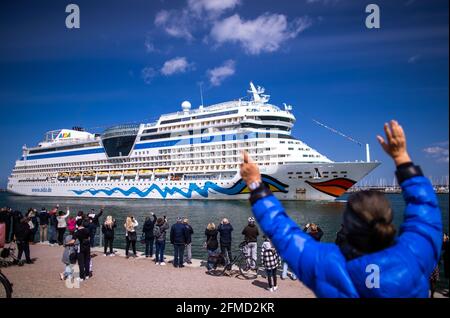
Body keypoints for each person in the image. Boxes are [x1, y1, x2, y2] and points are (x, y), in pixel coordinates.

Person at [240, 120, 443, 297]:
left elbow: (281, 231)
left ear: (347, 223)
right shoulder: (415, 255)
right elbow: (426, 213)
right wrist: (402, 158)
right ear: (388, 219)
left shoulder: (328, 266)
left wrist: (256, 184)